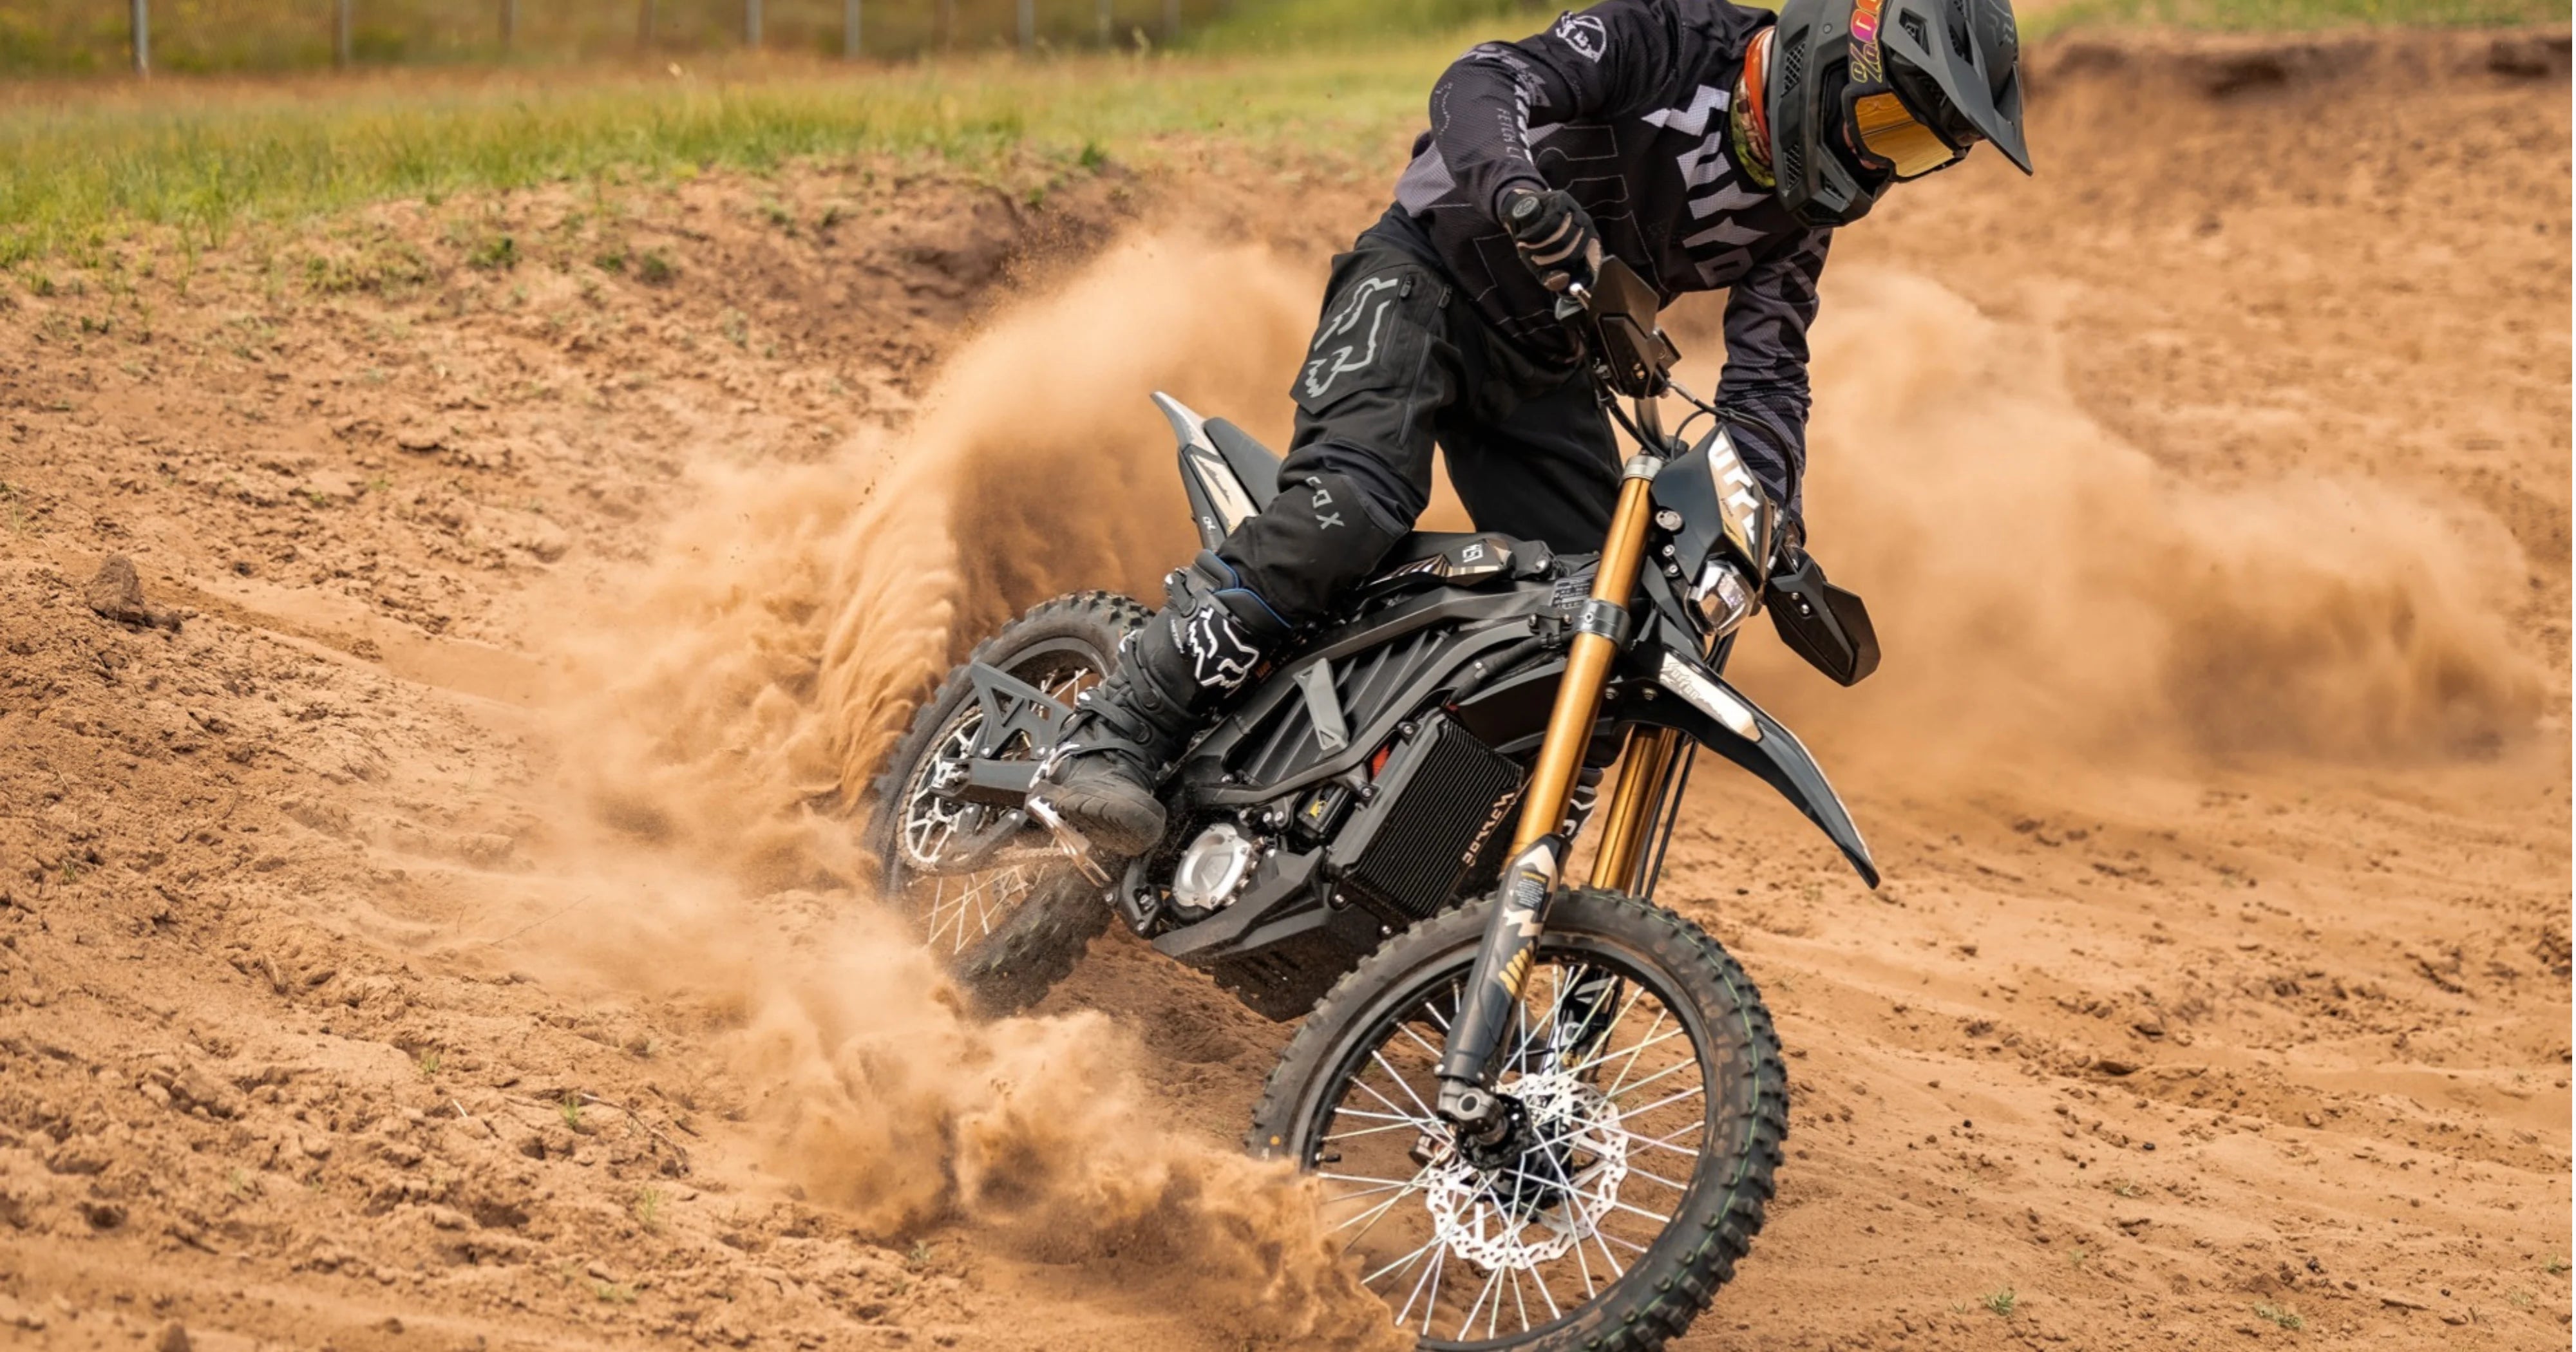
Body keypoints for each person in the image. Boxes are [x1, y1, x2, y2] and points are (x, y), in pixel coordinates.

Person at [1035, 0, 2030, 856]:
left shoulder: (1798, 218)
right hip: (1421, 279)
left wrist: (1771, 515)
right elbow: (1485, 80)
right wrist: (1517, 188)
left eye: (1917, 150)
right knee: (1352, 509)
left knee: (1614, 630)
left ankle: (1425, 860)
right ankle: (1115, 729)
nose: (1882, 162)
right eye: (1890, 123)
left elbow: (1771, 376)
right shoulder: (1674, 38)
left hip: (1546, 369)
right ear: (1837, 54)